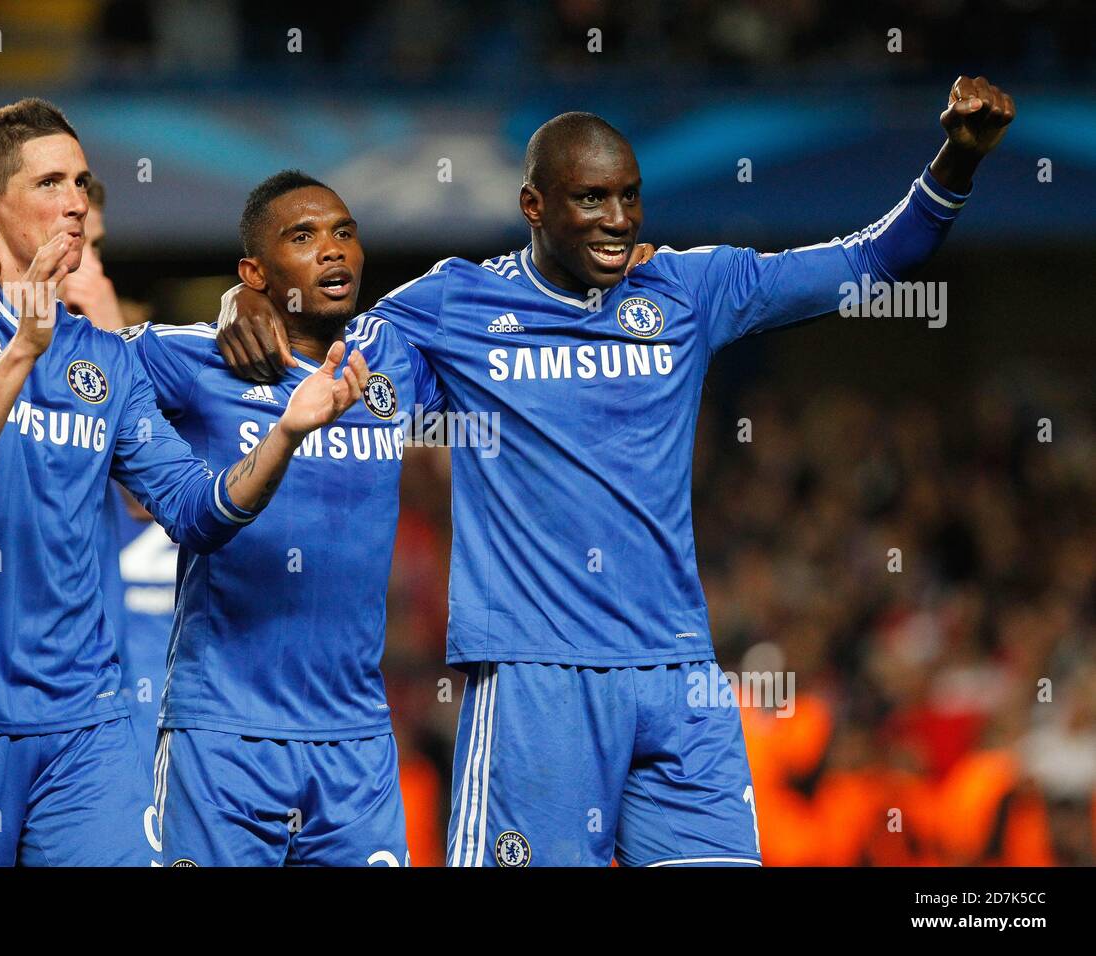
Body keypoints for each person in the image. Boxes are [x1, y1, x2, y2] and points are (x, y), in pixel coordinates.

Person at [214, 77, 1016, 866]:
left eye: (629, 197)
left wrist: (957, 160)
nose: (618, 220)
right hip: (538, 682)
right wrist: (243, 306)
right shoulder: (454, 304)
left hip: (680, 682)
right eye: (591, 199)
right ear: (534, 207)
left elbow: (869, 263)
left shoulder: (690, 289)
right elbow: (331, 373)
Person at [0, 99, 368, 867]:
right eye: (52, 182)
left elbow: (197, 512)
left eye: (84, 182)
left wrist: (287, 433)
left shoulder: (107, 360)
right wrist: (20, 352)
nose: (76, 201)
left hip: (83, 726)